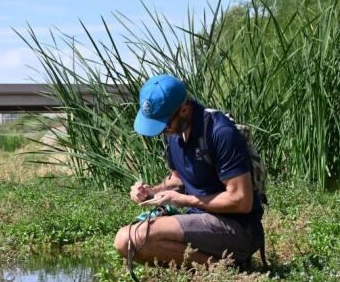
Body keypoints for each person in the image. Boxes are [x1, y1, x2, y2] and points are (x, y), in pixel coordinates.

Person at [113, 74, 265, 269]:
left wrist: (183, 200)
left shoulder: (220, 132)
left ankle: (228, 269)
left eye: (164, 124)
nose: (161, 132)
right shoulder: (174, 133)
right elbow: (178, 178)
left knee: (129, 238)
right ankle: (215, 266)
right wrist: (152, 191)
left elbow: (241, 201)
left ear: (184, 110)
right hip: (200, 218)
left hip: (237, 228)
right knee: (127, 243)